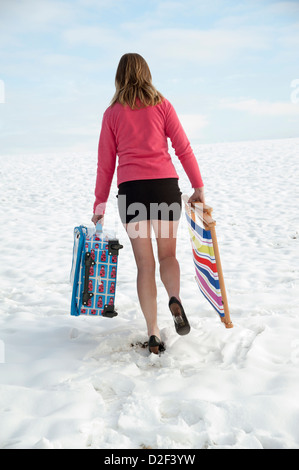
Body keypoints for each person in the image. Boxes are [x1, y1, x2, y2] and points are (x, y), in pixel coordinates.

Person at [92, 53, 205, 354]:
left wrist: (99, 205)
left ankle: (153, 332)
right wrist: (198, 186)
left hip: (132, 194)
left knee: (145, 265)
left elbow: (105, 164)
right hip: (165, 188)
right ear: (147, 73)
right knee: (167, 256)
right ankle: (175, 297)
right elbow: (183, 148)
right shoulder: (162, 105)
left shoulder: (112, 113)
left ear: (119, 77)